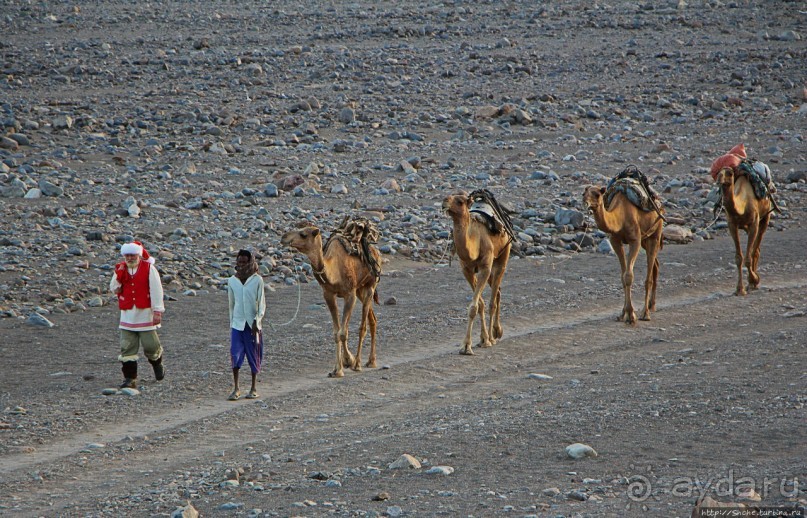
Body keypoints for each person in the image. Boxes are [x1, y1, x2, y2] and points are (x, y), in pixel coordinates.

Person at [109, 241, 165, 389]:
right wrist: (119, 277)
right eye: (127, 255)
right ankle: (130, 378)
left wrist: (157, 311)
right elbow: (114, 288)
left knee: (151, 346)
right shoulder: (120, 269)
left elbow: (156, 290)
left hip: (145, 314)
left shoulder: (148, 268)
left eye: (132, 255)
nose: (130, 258)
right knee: (127, 347)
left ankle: (157, 363)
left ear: (138, 255)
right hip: (127, 314)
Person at [227, 249, 266, 400]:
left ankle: (253, 387)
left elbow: (261, 303)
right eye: (239, 262)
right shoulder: (232, 281)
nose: (242, 265)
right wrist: (232, 322)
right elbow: (231, 304)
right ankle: (236, 388)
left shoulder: (257, 280)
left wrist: (258, 319)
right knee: (235, 354)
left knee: (253, 355)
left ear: (250, 262)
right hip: (237, 324)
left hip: (253, 325)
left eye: (245, 262)